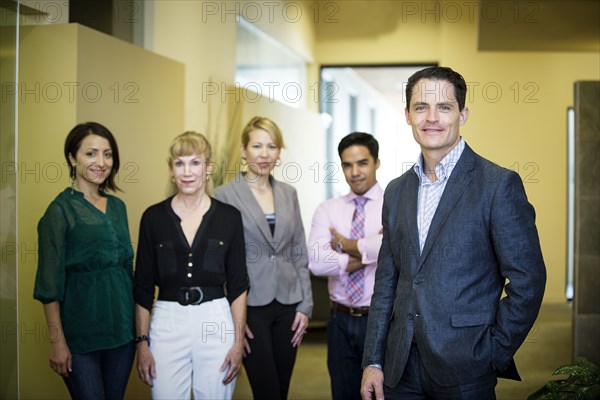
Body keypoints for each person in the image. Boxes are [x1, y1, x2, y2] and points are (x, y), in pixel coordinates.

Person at [360, 66, 547, 400]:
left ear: (463, 114)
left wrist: (492, 351)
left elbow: (528, 281)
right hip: (399, 367)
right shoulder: (397, 191)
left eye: (444, 107)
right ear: (407, 115)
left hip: (466, 366)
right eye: (421, 107)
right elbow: (387, 282)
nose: (432, 118)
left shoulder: (497, 185)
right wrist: (373, 360)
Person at [134, 131, 248, 399]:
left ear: (208, 168)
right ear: (171, 169)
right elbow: (142, 287)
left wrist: (238, 341)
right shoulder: (153, 218)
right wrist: (142, 343)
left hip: (215, 320)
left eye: (195, 163)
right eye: (179, 163)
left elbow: (239, 285)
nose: (187, 171)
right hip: (167, 321)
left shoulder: (229, 217)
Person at [33, 122, 135, 399]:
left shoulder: (118, 207)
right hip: (80, 338)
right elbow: (48, 284)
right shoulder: (59, 211)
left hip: (123, 334)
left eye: (108, 154)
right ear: (71, 157)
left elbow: (127, 271)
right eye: (90, 154)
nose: (101, 162)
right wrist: (57, 344)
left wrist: (141, 332)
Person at [214, 116, 313, 400]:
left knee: (281, 389)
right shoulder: (224, 195)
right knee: (266, 390)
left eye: (272, 146)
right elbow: (219, 262)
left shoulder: (288, 193)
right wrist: (233, 319)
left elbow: (298, 250)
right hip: (248, 306)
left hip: (289, 303)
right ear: (244, 149)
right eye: (257, 145)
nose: (265, 154)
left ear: (279, 151)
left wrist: (306, 304)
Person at [308, 132, 384, 400]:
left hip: (380, 319)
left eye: (362, 163)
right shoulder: (327, 209)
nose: (354, 172)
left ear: (376, 162)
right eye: (347, 165)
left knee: (381, 394)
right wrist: (370, 250)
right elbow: (316, 263)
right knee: (342, 393)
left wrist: (343, 244)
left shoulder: (394, 205)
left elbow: (392, 249)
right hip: (338, 320)